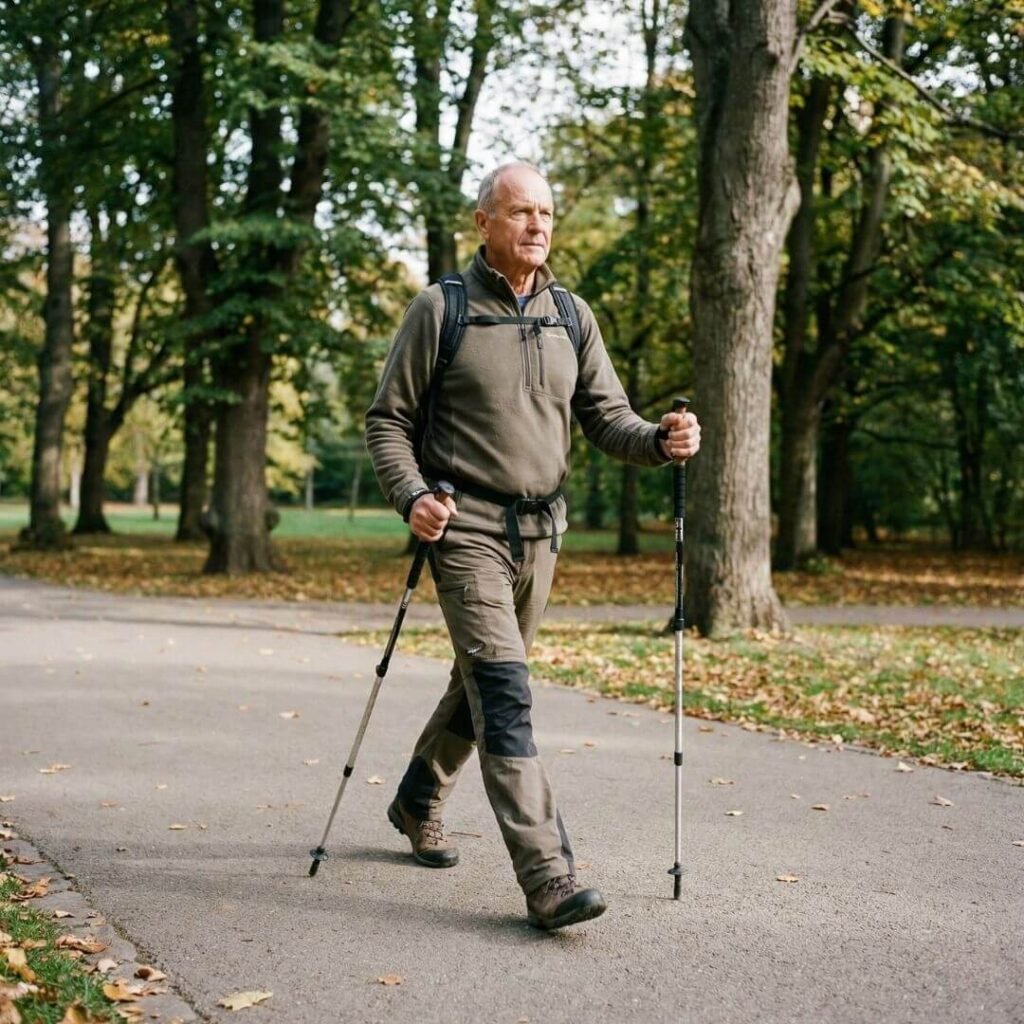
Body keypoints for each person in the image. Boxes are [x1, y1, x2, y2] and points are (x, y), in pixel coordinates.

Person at [365, 162, 701, 931]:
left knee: (482, 682)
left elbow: (608, 418)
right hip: (466, 529)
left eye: (546, 212)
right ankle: (548, 875)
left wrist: (660, 441)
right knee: (507, 697)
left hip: (542, 535)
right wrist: (413, 496)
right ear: (483, 222)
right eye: (520, 212)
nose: (538, 226)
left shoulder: (572, 316)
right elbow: (387, 420)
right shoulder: (440, 310)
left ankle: (417, 799)